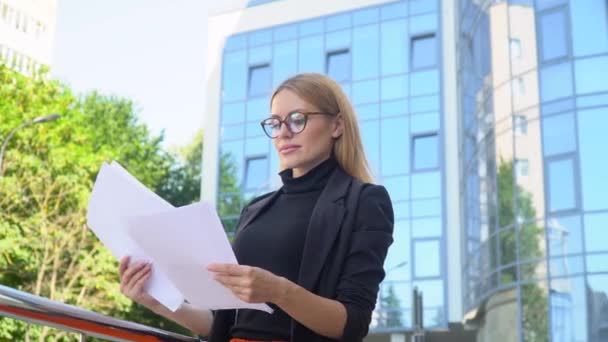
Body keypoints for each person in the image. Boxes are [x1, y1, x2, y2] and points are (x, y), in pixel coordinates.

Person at [118, 73, 394, 342]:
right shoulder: (256, 209)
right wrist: (156, 302)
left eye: (298, 119)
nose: (283, 133)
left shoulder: (365, 201)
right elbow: (221, 322)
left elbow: (353, 322)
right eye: (275, 123)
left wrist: (278, 291)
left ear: (337, 125)